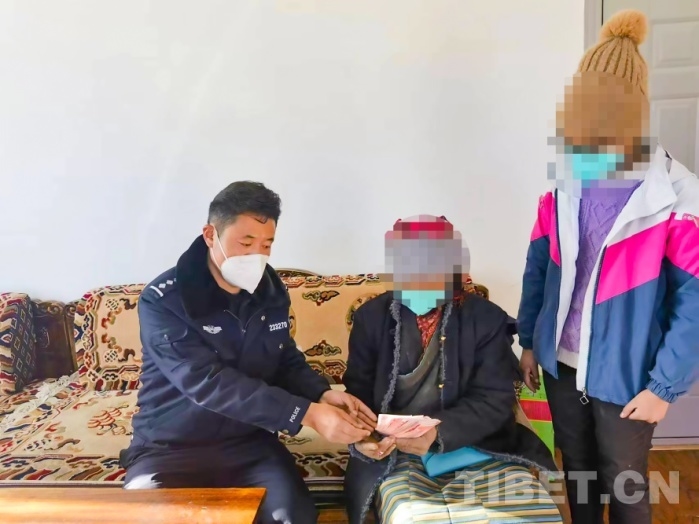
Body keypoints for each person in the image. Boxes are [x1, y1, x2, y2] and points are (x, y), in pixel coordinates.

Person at [517, 10, 699, 524]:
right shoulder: (563, 185)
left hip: (628, 373)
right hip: (562, 364)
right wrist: (530, 340)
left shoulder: (678, 196)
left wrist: (664, 387)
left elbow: (693, 303)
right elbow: (538, 267)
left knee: (624, 480)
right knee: (577, 469)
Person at [119, 181, 376, 524]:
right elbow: (206, 381)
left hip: (249, 443)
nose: (257, 255)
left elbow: (283, 358)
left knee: (293, 517)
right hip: (170, 448)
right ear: (210, 235)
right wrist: (306, 413)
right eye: (246, 242)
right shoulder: (164, 299)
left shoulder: (269, 289)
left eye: (267, 244)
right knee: (151, 517)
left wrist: (322, 394)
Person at [343, 215, 560, 524]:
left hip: (479, 444)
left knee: (526, 515)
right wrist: (362, 437)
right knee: (414, 516)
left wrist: (438, 433)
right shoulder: (371, 318)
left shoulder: (485, 319)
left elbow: (494, 400)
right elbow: (358, 396)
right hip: (397, 453)